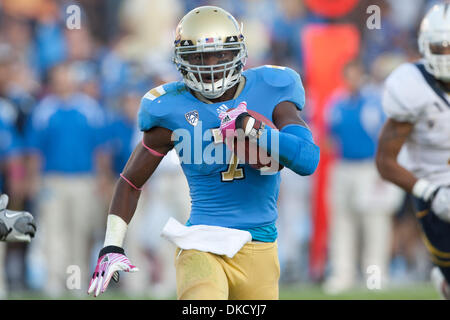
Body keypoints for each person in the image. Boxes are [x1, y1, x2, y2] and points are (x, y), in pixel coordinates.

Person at [87, 6, 320, 300]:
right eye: (198, 56)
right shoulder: (170, 108)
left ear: (238, 53)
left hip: (260, 244)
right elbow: (131, 180)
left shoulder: (272, 88)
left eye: (220, 54)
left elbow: (307, 159)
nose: (210, 64)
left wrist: (254, 130)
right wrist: (112, 245)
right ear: (181, 59)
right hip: (201, 242)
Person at [376, 3, 450, 300]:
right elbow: (384, 161)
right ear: (425, 46)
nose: (448, 54)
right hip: (434, 192)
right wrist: (429, 192)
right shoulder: (412, 86)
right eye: (441, 46)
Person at [323, 60, 402, 294]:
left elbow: (386, 137)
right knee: (342, 222)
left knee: (375, 222)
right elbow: (329, 138)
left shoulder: (375, 102)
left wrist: (383, 168)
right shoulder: (336, 102)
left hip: (369, 167)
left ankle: (375, 274)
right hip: (344, 166)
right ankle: (342, 274)